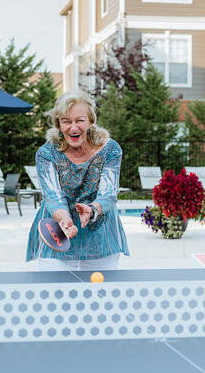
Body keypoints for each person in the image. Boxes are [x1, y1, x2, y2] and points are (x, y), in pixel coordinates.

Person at [26, 89, 128, 270]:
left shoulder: (111, 149)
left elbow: (108, 192)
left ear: (90, 121)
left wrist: (92, 210)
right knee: (55, 296)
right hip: (58, 233)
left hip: (101, 237)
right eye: (66, 121)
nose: (73, 128)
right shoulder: (46, 153)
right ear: (58, 124)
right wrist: (65, 220)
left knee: (102, 295)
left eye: (79, 121)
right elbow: (53, 196)